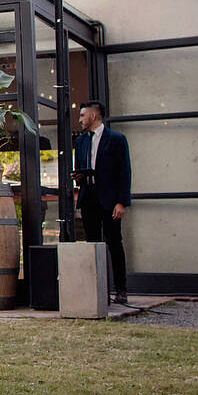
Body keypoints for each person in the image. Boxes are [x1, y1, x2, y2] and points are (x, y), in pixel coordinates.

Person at [74, 100, 132, 304]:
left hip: (109, 199)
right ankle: (98, 290)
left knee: (115, 243)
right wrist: (79, 176)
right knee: (92, 244)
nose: (80, 119)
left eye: (82, 115)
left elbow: (124, 172)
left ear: (93, 116)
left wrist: (122, 202)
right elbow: (80, 166)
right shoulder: (80, 141)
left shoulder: (116, 139)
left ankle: (121, 289)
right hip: (88, 197)